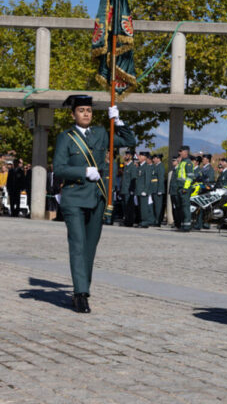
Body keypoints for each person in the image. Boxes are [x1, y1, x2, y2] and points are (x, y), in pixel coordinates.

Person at [53, 95, 135, 312]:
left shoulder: (100, 133)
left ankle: (83, 287)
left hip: (97, 197)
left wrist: (118, 122)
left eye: (88, 110)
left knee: (90, 248)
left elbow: (129, 141)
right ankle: (80, 293)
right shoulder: (66, 137)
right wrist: (83, 171)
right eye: (81, 110)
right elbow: (59, 168)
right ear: (73, 114)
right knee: (78, 245)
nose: (86, 113)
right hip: (74, 197)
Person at [175, 146, 195, 232]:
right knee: (182, 207)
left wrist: (185, 188)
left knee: (186, 207)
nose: (179, 153)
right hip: (180, 187)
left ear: (186, 152)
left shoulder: (188, 163)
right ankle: (183, 224)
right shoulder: (182, 162)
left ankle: (187, 226)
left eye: (181, 151)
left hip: (184, 188)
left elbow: (190, 177)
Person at [194, 154, 215, 230]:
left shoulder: (210, 169)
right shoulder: (204, 168)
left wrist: (203, 187)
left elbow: (210, 181)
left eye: (204, 159)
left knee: (203, 208)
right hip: (201, 189)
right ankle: (200, 223)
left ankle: (202, 224)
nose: (202, 160)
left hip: (206, 190)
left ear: (208, 160)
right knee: (200, 208)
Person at [135, 152, 152, 228]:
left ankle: (145, 221)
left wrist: (145, 190)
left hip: (143, 191)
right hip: (139, 190)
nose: (139, 157)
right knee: (140, 207)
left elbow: (147, 180)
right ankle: (141, 221)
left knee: (144, 207)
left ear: (145, 157)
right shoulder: (140, 167)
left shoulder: (147, 167)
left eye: (141, 156)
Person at [119, 151, 137, 226]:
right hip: (123, 189)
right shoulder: (125, 166)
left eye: (127, 155)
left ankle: (129, 221)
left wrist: (132, 190)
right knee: (124, 206)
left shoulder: (132, 166)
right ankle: (126, 219)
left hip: (128, 189)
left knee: (129, 206)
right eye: (126, 155)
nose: (126, 156)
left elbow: (133, 179)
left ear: (130, 156)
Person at [152, 154, 165, 226]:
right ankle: (155, 220)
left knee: (158, 206)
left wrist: (160, 189)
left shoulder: (160, 166)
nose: (153, 160)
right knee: (155, 206)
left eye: (154, 158)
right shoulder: (156, 166)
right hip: (154, 189)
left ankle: (158, 221)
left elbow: (161, 179)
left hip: (157, 189)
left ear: (158, 159)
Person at [169, 155, 180, 229]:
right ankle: (175, 221)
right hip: (172, 191)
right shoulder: (174, 169)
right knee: (174, 208)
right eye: (172, 161)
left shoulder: (179, 169)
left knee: (177, 208)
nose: (173, 162)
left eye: (174, 161)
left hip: (176, 191)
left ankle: (178, 222)